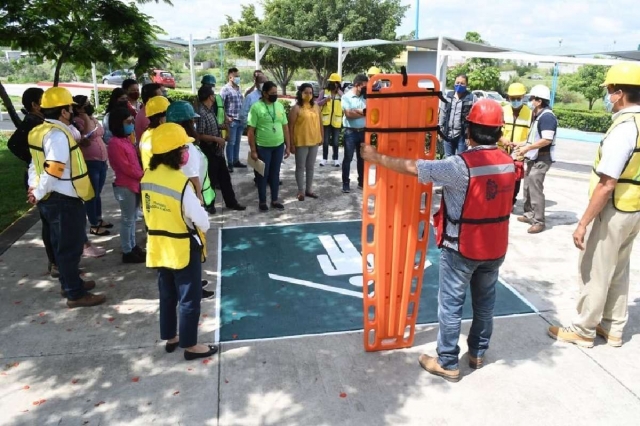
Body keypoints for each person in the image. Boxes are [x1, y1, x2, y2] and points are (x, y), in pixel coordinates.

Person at [361, 99, 515, 382]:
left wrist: (375, 157)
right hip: (495, 246)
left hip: (462, 248)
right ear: (498, 131)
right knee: (485, 303)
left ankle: (447, 362)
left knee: (451, 305)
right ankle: (478, 353)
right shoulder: (509, 163)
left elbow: (413, 167)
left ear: (468, 130)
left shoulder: (459, 166)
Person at [548, 63, 640, 348]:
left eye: (609, 91)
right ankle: (613, 327)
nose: (608, 96)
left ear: (620, 94)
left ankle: (584, 329)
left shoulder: (625, 128)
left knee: (595, 269)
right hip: (633, 209)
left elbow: (606, 183)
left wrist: (583, 222)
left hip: (612, 209)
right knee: (619, 269)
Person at [141, 123, 217, 360]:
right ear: (174, 152)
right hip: (182, 247)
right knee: (189, 297)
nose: (186, 151)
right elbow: (201, 221)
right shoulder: (180, 183)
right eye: (183, 147)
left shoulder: (147, 177)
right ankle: (191, 344)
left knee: (167, 294)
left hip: (158, 246)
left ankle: (171, 336)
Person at [27, 87, 106, 308]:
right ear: (63, 111)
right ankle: (75, 293)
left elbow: (35, 164)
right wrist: (39, 191)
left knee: (60, 245)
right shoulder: (58, 135)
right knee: (69, 248)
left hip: (50, 198)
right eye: (70, 107)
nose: (72, 111)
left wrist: (34, 188)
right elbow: (53, 168)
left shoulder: (40, 131)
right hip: (63, 198)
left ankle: (69, 283)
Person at [166, 101, 216, 299]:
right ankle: (192, 286)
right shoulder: (185, 147)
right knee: (192, 244)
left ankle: (193, 281)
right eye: (191, 122)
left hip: (182, 199)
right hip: (188, 200)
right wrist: (199, 199)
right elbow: (192, 175)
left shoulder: (175, 144)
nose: (194, 125)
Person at [9, 88, 59, 277]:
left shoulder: (40, 121)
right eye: (43, 100)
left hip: (41, 177)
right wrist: (33, 160)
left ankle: (56, 261)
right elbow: (13, 145)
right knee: (51, 223)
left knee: (51, 222)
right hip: (40, 179)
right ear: (35, 105)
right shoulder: (32, 122)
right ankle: (55, 262)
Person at [194, 85, 246, 212]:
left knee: (225, 178)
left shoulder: (210, 110)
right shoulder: (201, 113)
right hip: (209, 150)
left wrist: (225, 126)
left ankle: (231, 202)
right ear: (209, 97)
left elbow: (215, 125)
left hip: (218, 151)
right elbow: (199, 135)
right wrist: (216, 139)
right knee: (210, 179)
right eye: (213, 95)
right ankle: (209, 204)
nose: (215, 97)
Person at [513, 84, 557, 234]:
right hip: (534, 157)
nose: (530, 102)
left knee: (535, 189)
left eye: (531, 99)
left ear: (539, 101)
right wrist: (520, 144)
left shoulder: (547, 117)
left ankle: (539, 221)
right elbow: (533, 139)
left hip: (542, 159)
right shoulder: (537, 115)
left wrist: (526, 148)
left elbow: (546, 140)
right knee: (527, 187)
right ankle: (529, 214)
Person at [107, 107, 145, 264]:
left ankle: (132, 245)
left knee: (133, 218)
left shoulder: (126, 140)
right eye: (128, 122)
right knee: (127, 219)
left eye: (132, 122)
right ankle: (127, 251)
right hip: (126, 186)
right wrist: (143, 175)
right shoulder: (115, 143)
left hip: (134, 184)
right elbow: (126, 167)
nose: (131, 125)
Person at [247, 81, 291, 211]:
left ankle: (275, 200)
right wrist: (253, 150)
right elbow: (250, 131)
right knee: (262, 175)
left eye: (276, 93)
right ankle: (262, 201)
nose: (275, 95)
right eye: (272, 93)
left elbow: (285, 127)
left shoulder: (279, 106)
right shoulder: (256, 107)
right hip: (263, 147)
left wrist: (288, 146)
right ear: (264, 93)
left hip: (278, 146)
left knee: (275, 174)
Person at [72, 95, 112, 236]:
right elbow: (86, 134)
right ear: (78, 108)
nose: (89, 106)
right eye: (86, 104)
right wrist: (85, 117)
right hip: (90, 161)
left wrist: (89, 117)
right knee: (91, 194)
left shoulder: (91, 118)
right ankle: (94, 224)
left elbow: (100, 132)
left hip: (101, 161)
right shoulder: (78, 121)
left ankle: (99, 218)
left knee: (97, 193)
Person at [499, 82, 533, 207]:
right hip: (501, 151)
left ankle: (511, 202)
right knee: (500, 178)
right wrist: (501, 138)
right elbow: (495, 130)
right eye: (513, 98)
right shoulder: (502, 110)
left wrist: (521, 144)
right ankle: (500, 201)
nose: (515, 101)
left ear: (523, 97)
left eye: (518, 98)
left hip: (519, 152)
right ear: (508, 98)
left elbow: (532, 136)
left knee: (515, 179)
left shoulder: (530, 114)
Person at [289, 83, 323, 201]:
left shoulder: (316, 107)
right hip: (301, 142)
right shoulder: (296, 108)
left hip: (314, 141)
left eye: (310, 92)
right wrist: (291, 144)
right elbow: (291, 127)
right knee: (300, 167)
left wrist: (321, 137)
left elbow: (320, 123)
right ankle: (300, 191)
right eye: (306, 92)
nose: (308, 95)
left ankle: (309, 190)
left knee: (310, 167)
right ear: (300, 93)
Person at [341, 74, 368, 193]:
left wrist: (358, 111)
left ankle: (361, 182)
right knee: (348, 158)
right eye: (364, 87)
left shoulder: (365, 97)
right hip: (350, 132)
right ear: (357, 85)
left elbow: (371, 112)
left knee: (362, 158)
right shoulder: (346, 97)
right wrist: (363, 112)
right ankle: (345, 184)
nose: (366, 89)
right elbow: (349, 115)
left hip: (363, 132)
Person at [439, 74, 476, 157]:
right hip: (448, 134)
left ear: (466, 85)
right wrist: (440, 129)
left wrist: (471, 135)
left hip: (462, 136)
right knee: (448, 159)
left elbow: (474, 118)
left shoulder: (471, 98)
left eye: (462, 83)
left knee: (461, 160)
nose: (459, 85)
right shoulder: (448, 96)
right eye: (457, 82)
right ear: (454, 83)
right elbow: (443, 112)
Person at [220, 67, 246, 172]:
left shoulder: (238, 88)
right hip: (231, 120)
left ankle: (236, 161)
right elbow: (220, 105)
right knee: (231, 142)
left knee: (237, 142)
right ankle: (230, 163)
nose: (237, 78)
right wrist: (226, 117)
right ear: (230, 77)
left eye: (238, 76)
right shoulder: (225, 89)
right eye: (236, 76)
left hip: (240, 120)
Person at [317, 73, 343, 167]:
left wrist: (341, 94)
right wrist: (325, 100)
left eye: (335, 82)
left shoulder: (341, 94)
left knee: (336, 141)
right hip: (326, 121)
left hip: (336, 121)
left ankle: (335, 159)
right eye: (331, 82)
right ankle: (324, 159)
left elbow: (347, 103)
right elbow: (317, 104)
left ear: (338, 83)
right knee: (326, 141)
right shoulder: (324, 92)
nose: (333, 84)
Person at [140, 96, 170, 171]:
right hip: (160, 178)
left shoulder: (146, 133)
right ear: (160, 117)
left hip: (149, 177)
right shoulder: (161, 136)